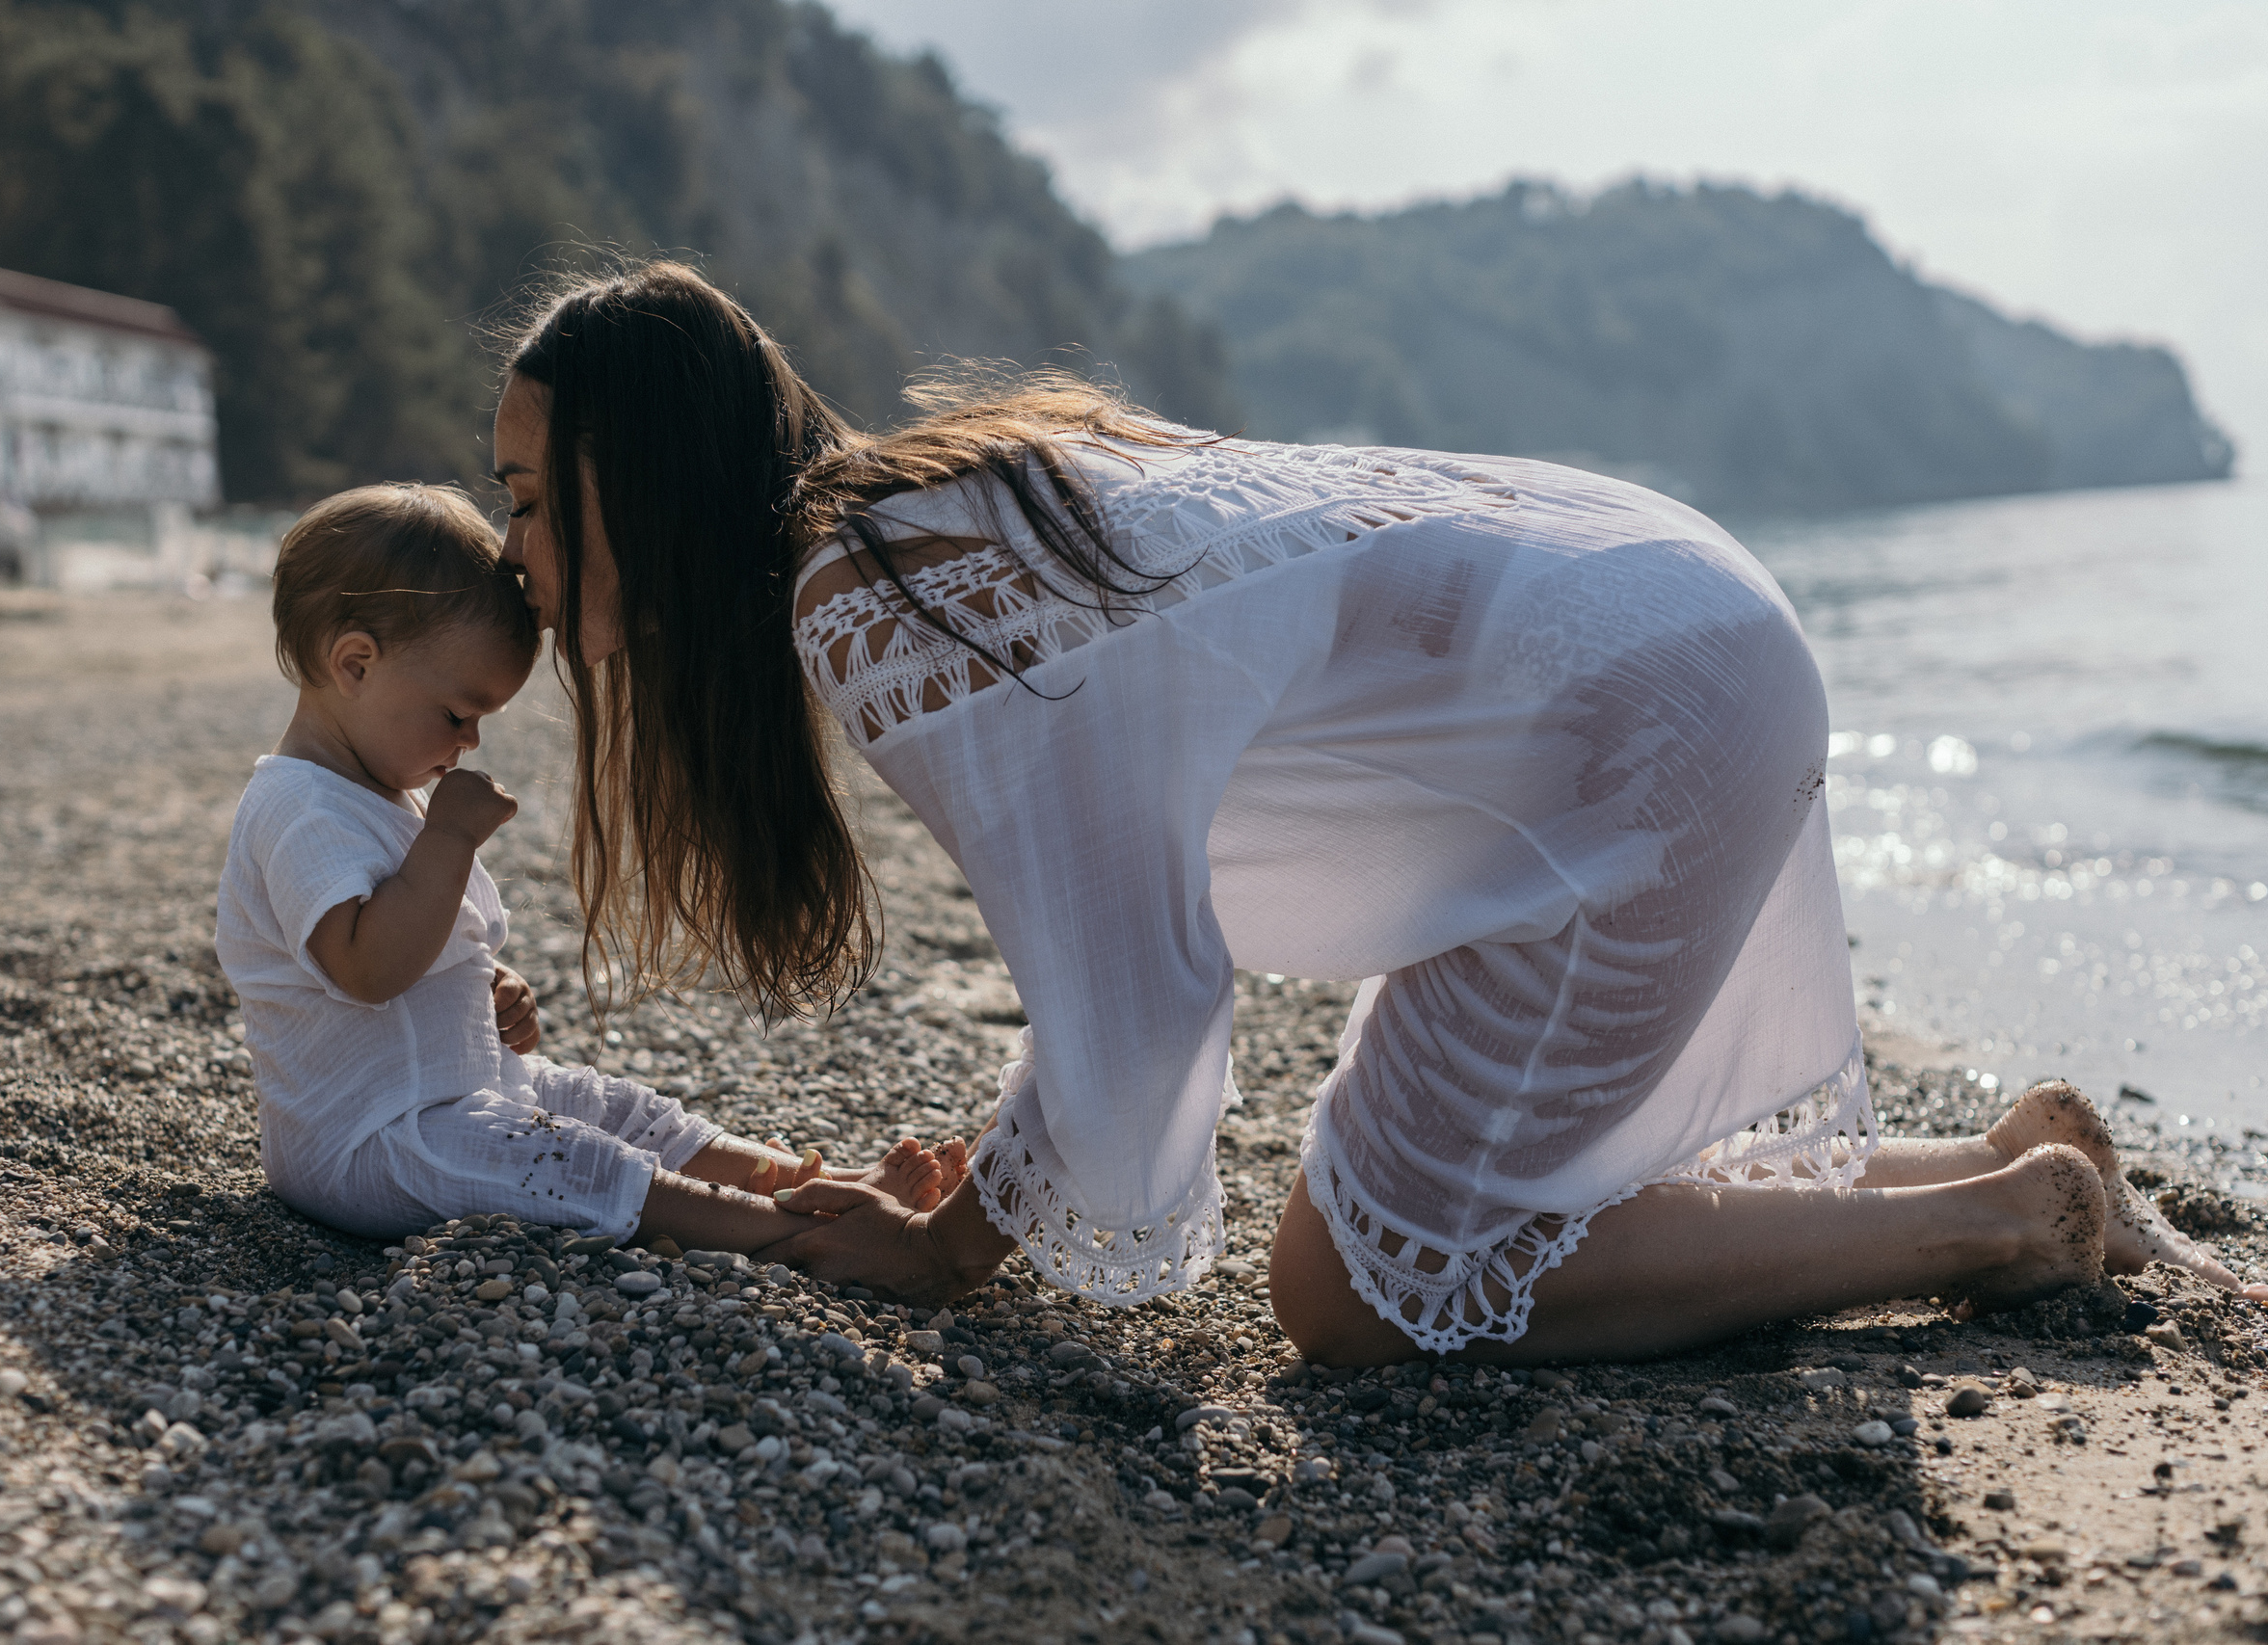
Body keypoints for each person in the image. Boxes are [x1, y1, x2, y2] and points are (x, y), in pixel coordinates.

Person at [488, 263, 2263, 1366]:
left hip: (1639, 704)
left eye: (528, 498)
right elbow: (1129, 957)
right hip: (1654, 622)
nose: (515, 555)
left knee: (1355, 1290)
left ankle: (2008, 1222)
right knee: (1455, 1208)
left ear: (636, 480)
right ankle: (2005, 1160)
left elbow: (1138, 990)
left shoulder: (877, 600)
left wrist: (956, 1241)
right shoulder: (920, 526)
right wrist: (992, 1191)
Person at [213, 483, 964, 1253]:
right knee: (574, 1159)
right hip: (368, 1145)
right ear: (355, 664)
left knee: (614, 1109)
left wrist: (484, 988)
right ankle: (794, 1233)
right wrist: (449, 840)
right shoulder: (300, 807)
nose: (468, 741)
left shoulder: (376, 790)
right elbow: (366, 968)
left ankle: (803, 1180)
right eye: (456, 713)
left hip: (448, 1097)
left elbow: (413, 954)